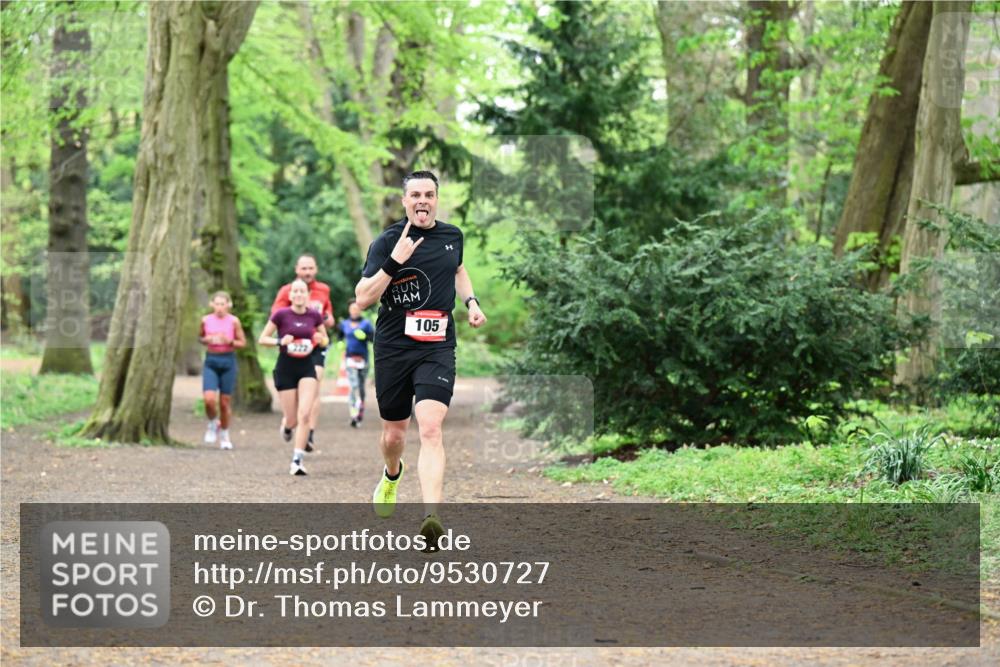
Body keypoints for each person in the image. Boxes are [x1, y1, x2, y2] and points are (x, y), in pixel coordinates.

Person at [354, 170, 487, 549]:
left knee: (430, 428)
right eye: (415, 195)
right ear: (405, 201)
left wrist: (471, 303)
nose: (423, 201)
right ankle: (391, 475)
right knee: (394, 434)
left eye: (429, 194)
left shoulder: (451, 237)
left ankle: (432, 517)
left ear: (436, 199)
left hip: (437, 346)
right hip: (395, 348)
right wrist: (394, 261)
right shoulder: (386, 242)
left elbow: (459, 270)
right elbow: (363, 297)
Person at [259, 279, 330, 475]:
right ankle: (287, 426)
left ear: (308, 295)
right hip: (285, 368)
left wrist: (320, 339)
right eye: (295, 291)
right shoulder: (281, 315)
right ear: (290, 295)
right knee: (292, 419)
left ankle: (297, 460)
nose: (299, 294)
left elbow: (325, 340)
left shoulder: (314, 315)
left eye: (302, 291)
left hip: (307, 367)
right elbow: (262, 339)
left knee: (305, 414)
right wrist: (280, 340)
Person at [271, 254, 335, 452]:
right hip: (292, 348)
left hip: (315, 347)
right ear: (296, 270)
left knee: (314, 388)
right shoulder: (287, 290)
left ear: (316, 269)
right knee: (295, 396)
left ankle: (309, 433)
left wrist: (321, 317)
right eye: (303, 269)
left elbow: (330, 320)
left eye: (311, 268)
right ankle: (291, 422)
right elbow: (276, 316)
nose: (307, 272)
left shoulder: (324, 289)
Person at [200, 291, 247, 450]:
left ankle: (225, 434)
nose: (220, 307)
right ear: (212, 304)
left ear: (229, 305)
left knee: (225, 402)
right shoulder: (205, 320)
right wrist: (206, 339)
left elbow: (243, 343)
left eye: (223, 304)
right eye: (217, 304)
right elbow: (200, 337)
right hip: (211, 360)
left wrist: (230, 341)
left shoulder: (234, 321)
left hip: (228, 360)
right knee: (209, 399)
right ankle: (213, 423)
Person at [337, 298, 375, 428]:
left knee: (361, 386)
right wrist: (340, 344)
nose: (354, 310)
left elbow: (373, 339)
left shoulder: (366, 324)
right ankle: (353, 413)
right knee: (353, 385)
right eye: (352, 308)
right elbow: (339, 336)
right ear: (349, 310)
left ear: (360, 310)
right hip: (350, 358)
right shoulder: (344, 324)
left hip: (363, 359)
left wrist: (365, 336)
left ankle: (360, 414)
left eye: (357, 308)